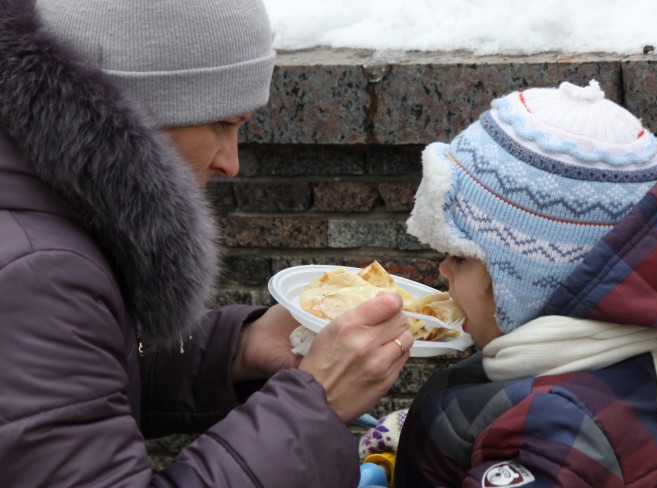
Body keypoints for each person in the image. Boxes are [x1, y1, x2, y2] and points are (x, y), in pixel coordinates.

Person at [0, 0, 414, 486]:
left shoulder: (43, 212)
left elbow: (69, 396)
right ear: (132, 111)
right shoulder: (38, 272)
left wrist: (236, 351)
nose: (230, 163)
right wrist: (312, 404)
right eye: (221, 123)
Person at [378, 80, 657, 486]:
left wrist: (321, 434)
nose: (443, 269)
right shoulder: (631, 353)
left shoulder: (549, 436)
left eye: (459, 255)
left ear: (521, 282)